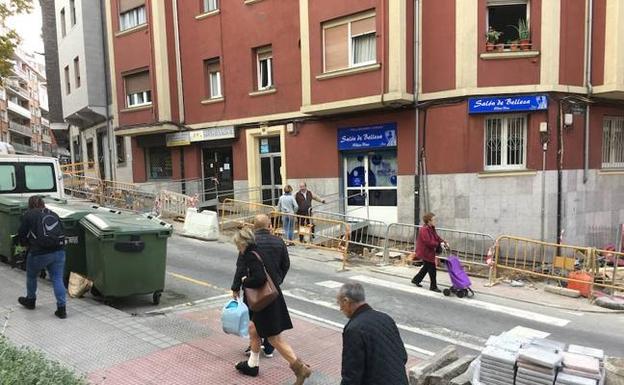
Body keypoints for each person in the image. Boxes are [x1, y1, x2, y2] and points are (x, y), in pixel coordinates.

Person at [232, 227, 311, 384]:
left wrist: (243, 281)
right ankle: (252, 365)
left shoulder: (250, 256)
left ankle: (300, 369)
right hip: (270, 300)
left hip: (265, 304)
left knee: (275, 339)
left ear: (242, 243)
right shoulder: (259, 251)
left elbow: (259, 278)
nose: (237, 248)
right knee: (253, 329)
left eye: (237, 244)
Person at [232, 214, 291, 358]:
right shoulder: (279, 242)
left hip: (253, 287)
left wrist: (236, 286)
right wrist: (277, 280)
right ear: (269, 226)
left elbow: (240, 267)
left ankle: (253, 347)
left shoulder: (249, 244)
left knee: (253, 317)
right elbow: (286, 264)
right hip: (272, 288)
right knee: (271, 317)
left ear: (254, 226)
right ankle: (269, 347)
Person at [337, 283, 408, 385]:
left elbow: (352, 374)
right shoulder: (386, 318)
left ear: (346, 301)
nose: (340, 308)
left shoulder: (354, 329)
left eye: (339, 303)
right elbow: (403, 356)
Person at [17, 196, 67, 319]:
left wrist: (24, 245)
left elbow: (22, 233)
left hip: (39, 253)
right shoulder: (53, 214)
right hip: (59, 251)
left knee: (31, 275)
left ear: (30, 205)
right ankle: (62, 309)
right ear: (43, 204)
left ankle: (31, 300)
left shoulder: (29, 215)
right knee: (57, 278)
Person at [411, 212, 447, 293]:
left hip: (429, 252)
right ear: (429, 221)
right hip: (425, 252)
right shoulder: (424, 230)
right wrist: (438, 244)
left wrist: (443, 242)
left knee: (426, 267)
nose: (435, 221)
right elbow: (428, 242)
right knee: (432, 269)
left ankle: (416, 280)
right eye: (434, 220)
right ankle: (433, 286)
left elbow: (436, 237)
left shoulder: (431, 228)